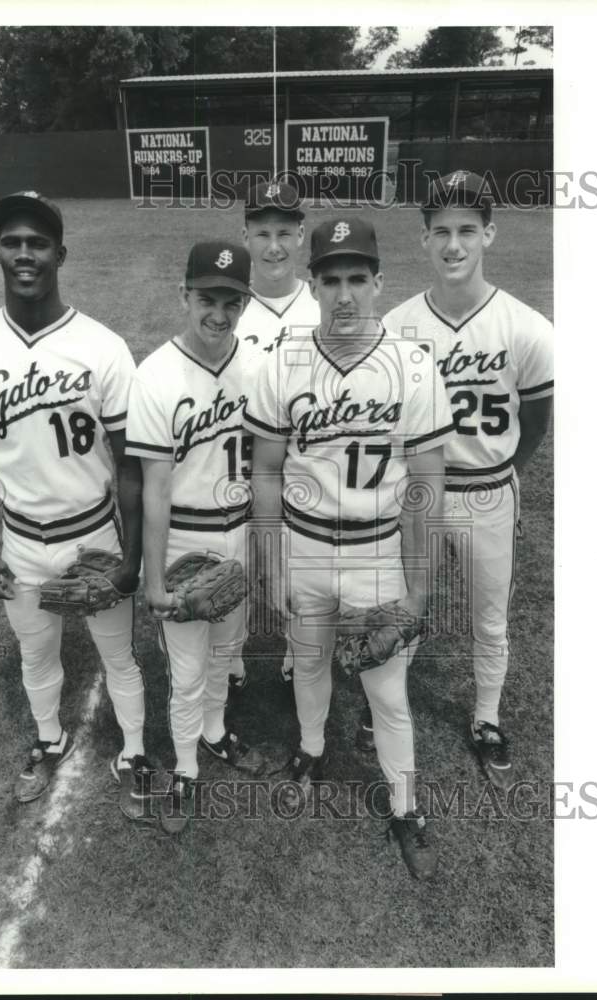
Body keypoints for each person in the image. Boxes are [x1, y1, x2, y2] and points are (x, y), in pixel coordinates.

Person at [245, 216, 455, 879]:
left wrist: (416, 586)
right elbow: (267, 470)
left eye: (356, 280)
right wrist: (271, 556)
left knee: (385, 691)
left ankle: (403, 804)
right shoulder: (282, 361)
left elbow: (424, 479)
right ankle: (309, 749)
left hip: (377, 553)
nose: (343, 294)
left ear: (377, 283)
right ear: (311, 283)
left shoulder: (412, 364)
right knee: (306, 664)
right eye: (329, 279)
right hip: (305, 546)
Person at [0, 191, 155, 816]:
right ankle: (47, 738)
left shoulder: (103, 346)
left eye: (37, 242)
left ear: (60, 252)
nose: (24, 254)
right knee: (37, 653)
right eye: (12, 242)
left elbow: (131, 463)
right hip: (22, 540)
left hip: (93, 534)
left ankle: (136, 751)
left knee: (119, 653)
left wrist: (132, 558)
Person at [357, 170, 554, 791]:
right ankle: (386, 702)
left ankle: (487, 717)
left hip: (488, 487)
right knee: (407, 601)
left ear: (489, 234)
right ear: (423, 240)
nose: (454, 244)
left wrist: (508, 481)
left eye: (467, 230)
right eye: (441, 231)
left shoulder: (527, 327)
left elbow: (538, 419)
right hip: (416, 492)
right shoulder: (394, 326)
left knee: (489, 618)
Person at [126, 240, 265, 834]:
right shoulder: (156, 374)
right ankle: (185, 767)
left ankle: (213, 732)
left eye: (232, 301)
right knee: (186, 670)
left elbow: (269, 468)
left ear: (246, 303)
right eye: (208, 298)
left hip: (240, 534)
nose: (219, 312)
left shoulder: (259, 367)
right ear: (184, 295)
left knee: (228, 652)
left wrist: (265, 550)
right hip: (186, 536)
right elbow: (154, 488)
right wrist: (152, 579)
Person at [236, 179, 320, 691]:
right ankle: (229, 659)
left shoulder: (324, 309)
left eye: (285, 233)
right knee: (236, 566)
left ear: (302, 235)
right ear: (243, 235)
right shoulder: (228, 311)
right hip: (238, 464)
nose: (273, 246)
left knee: (300, 574)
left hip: (307, 469)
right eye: (262, 232)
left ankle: (296, 652)